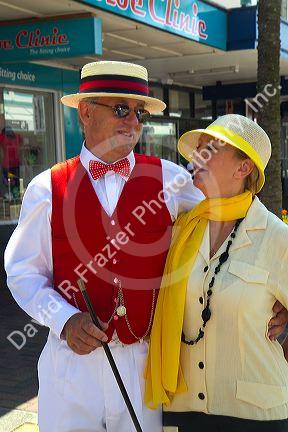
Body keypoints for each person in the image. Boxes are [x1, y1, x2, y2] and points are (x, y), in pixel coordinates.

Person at [4, 63, 286, 432]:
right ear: (85, 112)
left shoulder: (172, 180)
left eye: (139, 113)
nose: (133, 121)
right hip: (70, 370)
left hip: (144, 366)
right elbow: (23, 273)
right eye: (121, 109)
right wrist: (64, 319)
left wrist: (275, 294)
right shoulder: (46, 188)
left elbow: (235, 213)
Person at [145, 114, 288, 432]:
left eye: (211, 149)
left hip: (255, 414)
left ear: (243, 168)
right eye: (198, 149)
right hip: (182, 408)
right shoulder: (181, 228)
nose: (198, 156)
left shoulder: (277, 238)